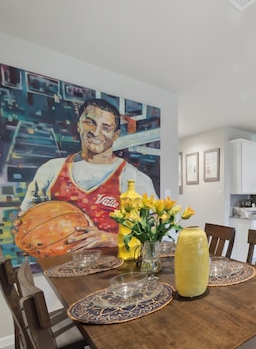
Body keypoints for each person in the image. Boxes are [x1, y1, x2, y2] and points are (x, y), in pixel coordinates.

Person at [16, 98, 157, 252]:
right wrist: (26, 226)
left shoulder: (133, 178)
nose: (96, 132)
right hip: (60, 269)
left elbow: (154, 232)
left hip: (112, 270)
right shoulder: (51, 170)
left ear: (116, 135)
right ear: (78, 124)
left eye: (106, 127)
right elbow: (27, 218)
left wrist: (109, 238)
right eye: (90, 122)